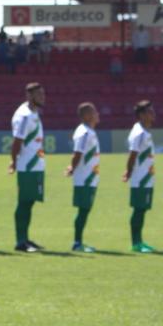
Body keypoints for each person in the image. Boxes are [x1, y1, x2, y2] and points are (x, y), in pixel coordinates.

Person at [10, 83, 47, 253]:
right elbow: (17, 141)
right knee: (24, 202)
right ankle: (20, 241)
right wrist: (14, 161)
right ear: (29, 96)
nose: (43, 97)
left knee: (29, 202)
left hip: (35, 164)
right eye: (39, 94)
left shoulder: (33, 112)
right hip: (27, 165)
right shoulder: (24, 116)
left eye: (43, 94)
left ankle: (25, 238)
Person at [66, 103, 101, 253]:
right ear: (86, 115)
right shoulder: (84, 132)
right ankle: (77, 243)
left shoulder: (89, 131)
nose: (97, 114)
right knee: (83, 210)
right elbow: (78, 153)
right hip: (85, 178)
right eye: (94, 111)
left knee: (85, 210)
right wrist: (72, 168)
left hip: (90, 177)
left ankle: (79, 242)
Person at [124, 101, 158, 253]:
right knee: (138, 210)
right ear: (142, 115)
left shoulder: (145, 132)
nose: (153, 114)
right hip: (140, 179)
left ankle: (140, 241)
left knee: (142, 210)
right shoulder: (139, 133)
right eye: (150, 111)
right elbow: (132, 155)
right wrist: (129, 172)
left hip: (146, 178)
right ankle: (136, 243)